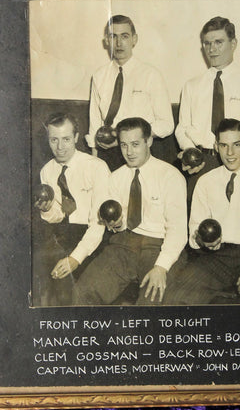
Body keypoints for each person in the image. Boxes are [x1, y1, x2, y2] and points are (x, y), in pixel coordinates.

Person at [164, 118, 240, 305]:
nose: (230, 153)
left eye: (236, 144)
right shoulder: (205, 182)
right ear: (215, 146)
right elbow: (196, 229)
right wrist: (203, 240)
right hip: (216, 257)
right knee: (175, 298)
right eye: (223, 145)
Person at [73, 117, 187, 305]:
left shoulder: (171, 176)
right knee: (83, 291)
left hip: (159, 246)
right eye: (124, 145)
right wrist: (117, 225)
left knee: (150, 303)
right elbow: (120, 222)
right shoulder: (116, 177)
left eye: (135, 144)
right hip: (124, 245)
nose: (129, 152)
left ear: (149, 141)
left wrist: (161, 267)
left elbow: (178, 231)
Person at [175, 16, 240, 188]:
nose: (212, 49)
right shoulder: (192, 86)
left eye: (218, 42)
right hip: (203, 165)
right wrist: (191, 152)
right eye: (207, 43)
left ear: (233, 43)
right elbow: (182, 129)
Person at [33, 112, 110, 306]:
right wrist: (46, 210)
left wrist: (75, 259)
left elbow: (99, 225)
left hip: (96, 237)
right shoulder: (47, 170)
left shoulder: (97, 167)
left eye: (66, 139)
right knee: (41, 276)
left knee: (79, 292)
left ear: (76, 137)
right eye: (54, 140)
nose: (60, 147)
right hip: (63, 234)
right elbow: (56, 217)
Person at [85, 14, 174, 171]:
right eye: (113, 37)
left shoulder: (151, 75)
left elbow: (166, 124)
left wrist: (132, 139)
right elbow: (94, 123)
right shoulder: (99, 76)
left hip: (140, 153)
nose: (119, 43)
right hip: (108, 153)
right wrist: (94, 163)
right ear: (106, 41)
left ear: (134, 39)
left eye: (124, 36)